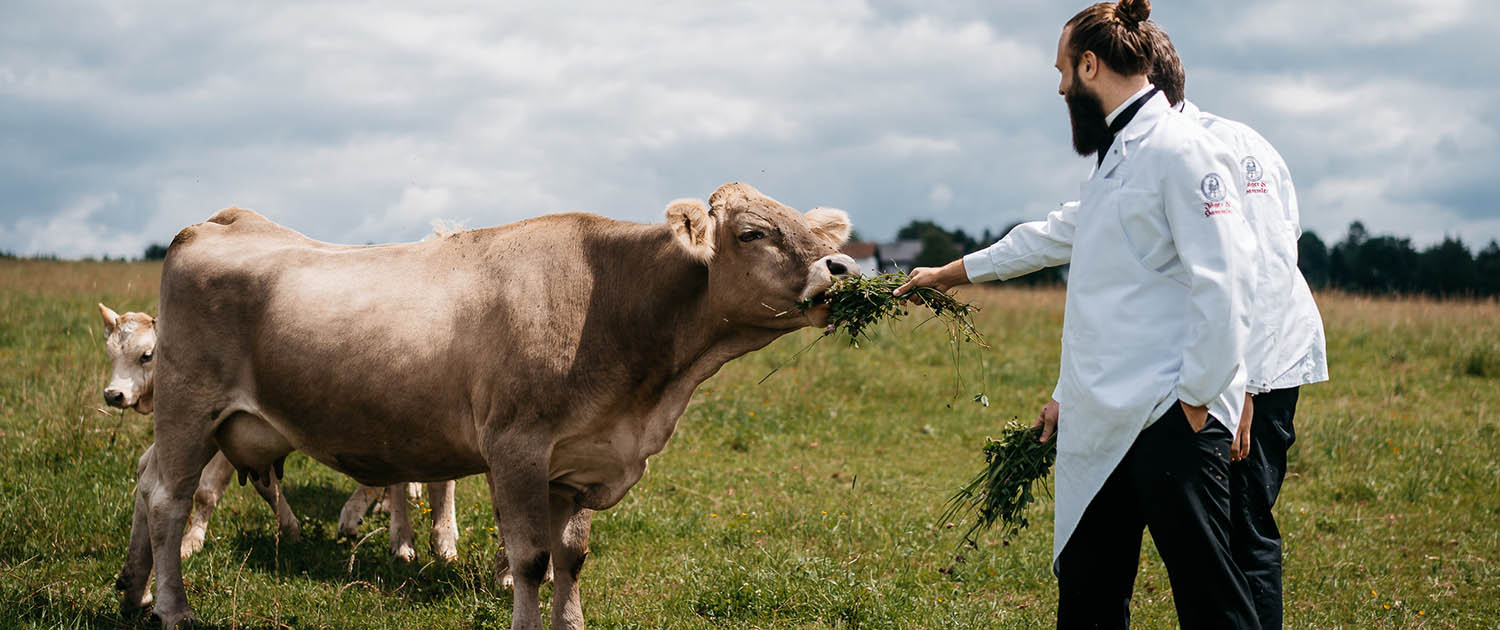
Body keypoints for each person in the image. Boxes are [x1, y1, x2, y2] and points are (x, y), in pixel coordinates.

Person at [895, 1, 1260, 627]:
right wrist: (948, 275)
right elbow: (1048, 240)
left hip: (1171, 421)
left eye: (1063, 70)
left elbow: (1227, 281)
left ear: (1090, 65)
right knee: (1089, 598)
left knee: (1212, 605)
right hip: (1101, 426)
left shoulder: (1182, 151)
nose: (1060, 86)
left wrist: (1197, 400)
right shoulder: (1115, 161)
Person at [1146, 29, 1329, 630]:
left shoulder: (1214, 150)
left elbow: (1267, 271)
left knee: (1243, 532)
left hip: (1259, 366)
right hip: (1235, 363)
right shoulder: (1201, 143)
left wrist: (1246, 387)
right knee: (1218, 536)